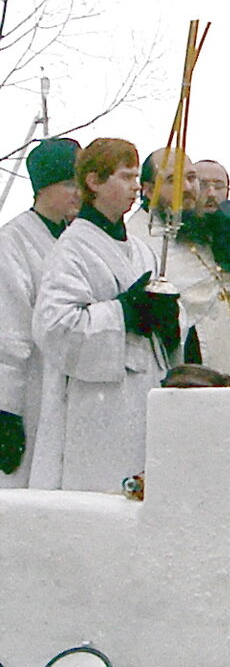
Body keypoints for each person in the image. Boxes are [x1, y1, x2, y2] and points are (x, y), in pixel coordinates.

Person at [30, 138, 179, 491]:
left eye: (135, 177)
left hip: (145, 393)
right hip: (95, 402)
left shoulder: (143, 250)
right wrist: (124, 312)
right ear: (94, 182)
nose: (134, 186)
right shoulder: (71, 250)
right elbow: (54, 328)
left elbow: (166, 328)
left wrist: (170, 319)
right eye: (125, 177)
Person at [130, 149, 230, 390]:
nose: (188, 188)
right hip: (183, 369)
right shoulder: (138, 240)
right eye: (173, 180)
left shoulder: (212, 232)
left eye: (191, 178)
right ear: (148, 189)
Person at [0, 138, 81, 487]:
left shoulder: (76, 237)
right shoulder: (13, 240)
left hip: (70, 379)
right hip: (30, 381)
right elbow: (10, 328)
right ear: (44, 188)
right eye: (69, 184)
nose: (78, 193)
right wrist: (7, 407)